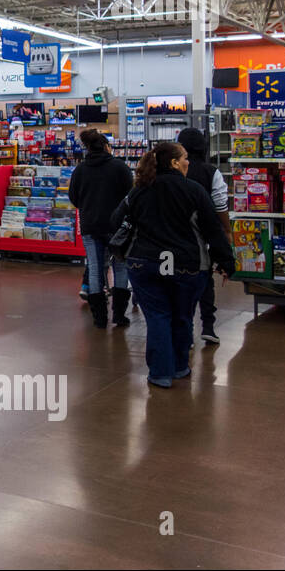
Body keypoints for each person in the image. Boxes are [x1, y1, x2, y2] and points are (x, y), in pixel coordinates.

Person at [111, 142, 235, 388]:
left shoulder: (139, 190)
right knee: (182, 316)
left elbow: (116, 220)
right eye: (185, 157)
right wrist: (226, 261)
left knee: (157, 316)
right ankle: (179, 367)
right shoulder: (194, 190)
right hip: (187, 266)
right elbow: (213, 229)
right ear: (174, 163)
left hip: (143, 264)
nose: (189, 161)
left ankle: (159, 373)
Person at [68, 128, 133, 327]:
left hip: (90, 225)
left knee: (95, 269)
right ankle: (119, 315)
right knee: (121, 267)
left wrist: (88, 207)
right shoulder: (119, 167)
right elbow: (130, 196)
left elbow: (73, 197)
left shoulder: (80, 169)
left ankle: (99, 317)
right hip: (117, 227)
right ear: (106, 146)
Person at [177, 127, 230, 344]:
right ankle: (208, 325)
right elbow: (220, 204)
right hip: (204, 234)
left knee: (179, 284)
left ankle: (186, 332)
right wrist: (226, 231)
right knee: (205, 277)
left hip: (176, 235)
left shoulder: (174, 170)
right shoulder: (211, 172)